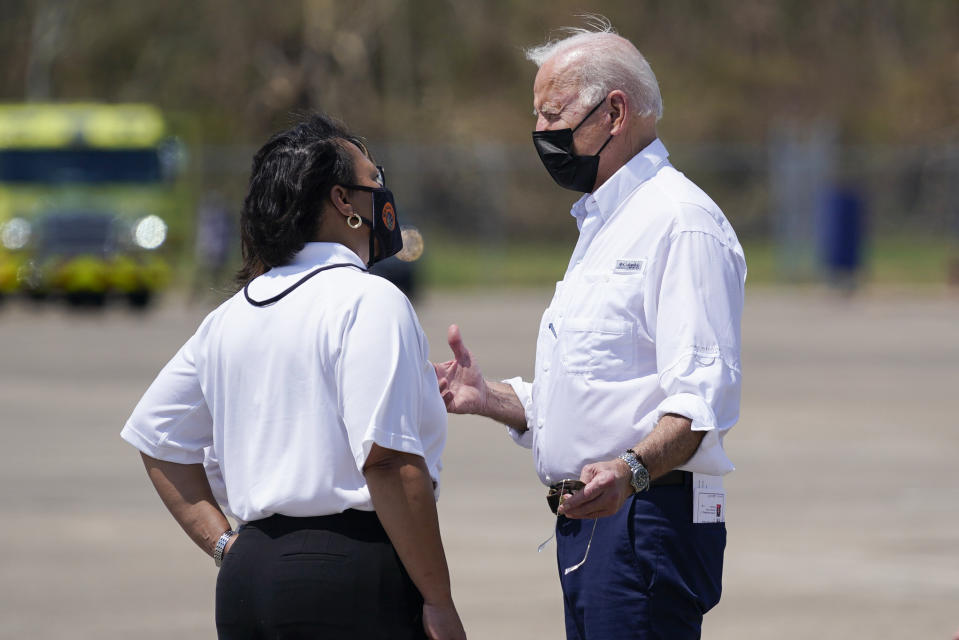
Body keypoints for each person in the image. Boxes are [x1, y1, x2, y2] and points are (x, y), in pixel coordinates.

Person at [434, 21, 745, 640]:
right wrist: (490, 397)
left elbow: (701, 399)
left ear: (615, 112)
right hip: (593, 520)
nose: (541, 133)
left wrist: (629, 472)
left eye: (552, 114)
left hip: (645, 518)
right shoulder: (606, 222)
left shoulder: (679, 222)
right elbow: (598, 387)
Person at [121, 114, 466, 640]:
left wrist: (225, 545)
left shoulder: (229, 316)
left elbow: (157, 436)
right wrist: (439, 601)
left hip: (247, 581)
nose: (384, 195)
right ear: (342, 202)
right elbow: (390, 464)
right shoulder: (368, 297)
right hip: (351, 574)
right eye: (374, 181)